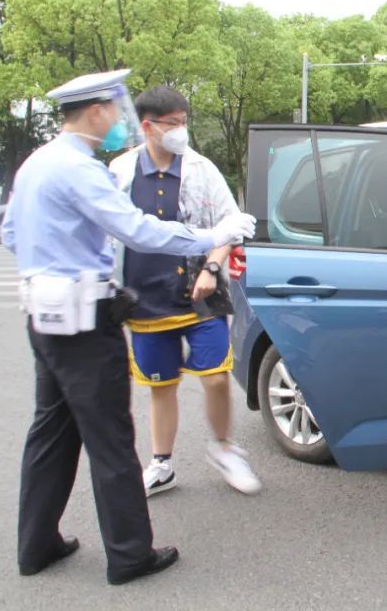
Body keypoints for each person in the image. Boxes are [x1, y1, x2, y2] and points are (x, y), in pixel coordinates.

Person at [0, 70, 256, 585]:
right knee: (111, 439)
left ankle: (37, 544)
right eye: (115, 111)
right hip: (83, 318)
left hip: (44, 314)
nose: (120, 120)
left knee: (51, 432)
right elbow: (137, 230)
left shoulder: (37, 163)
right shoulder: (83, 168)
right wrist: (212, 234)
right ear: (96, 112)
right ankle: (130, 555)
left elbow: (10, 233)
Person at [108, 86, 260, 497]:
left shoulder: (201, 169)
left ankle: (224, 448)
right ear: (148, 126)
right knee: (161, 386)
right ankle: (162, 464)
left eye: (183, 122)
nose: (181, 130)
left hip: (200, 294)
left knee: (216, 377)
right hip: (144, 298)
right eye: (172, 123)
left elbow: (231, 225)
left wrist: (212, 267)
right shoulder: (120, 172)